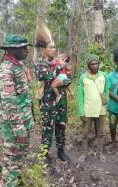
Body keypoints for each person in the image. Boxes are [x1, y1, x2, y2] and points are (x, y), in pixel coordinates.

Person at [0, 34, 34, 186]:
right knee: (12, 160)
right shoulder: (6, 70)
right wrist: (19, 129)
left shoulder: (17, 65)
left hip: (22, 121)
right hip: (14, 125)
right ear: (13, 50)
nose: (26, 50)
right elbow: (9, 102)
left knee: (19, 158)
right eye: (23, 48)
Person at [33, 26, 72, 163]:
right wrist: (61, 67)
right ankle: (45, 153)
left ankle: (61, 151)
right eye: (51, 47)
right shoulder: (39, 64)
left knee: (61, 127)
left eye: (55, 47)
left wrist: (63, 82)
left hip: (61, 102)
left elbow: (69, 78)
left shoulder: (58, 62)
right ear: (44, 49)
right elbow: (47, 76)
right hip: (47, 103)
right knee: (47, 128)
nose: (54, 50)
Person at [78, 54, 109, 154]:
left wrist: (106, 105)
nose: (95, 65)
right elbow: (80, 96)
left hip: (101, 109)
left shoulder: (103, 76)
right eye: (92, 64)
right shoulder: (83, 77)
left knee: (101, 133)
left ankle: (99, 152)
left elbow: (106, 91)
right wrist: (81, 111)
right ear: (88, 65)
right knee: (85, 133)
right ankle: (84, 153)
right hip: (88, 110)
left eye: (96, 63)